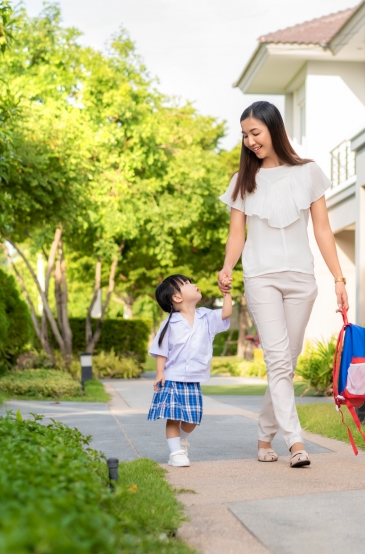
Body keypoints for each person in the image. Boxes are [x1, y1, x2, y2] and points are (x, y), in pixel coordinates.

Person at [218, 100, 349, 469]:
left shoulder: (308, 173)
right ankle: (296, 443)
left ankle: (264, 435)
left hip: (301, 279)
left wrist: (339, 279)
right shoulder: (243, 181)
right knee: (277, 361)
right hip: (261, 277)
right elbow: (236, 234)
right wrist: (228, 267)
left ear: (273, 129)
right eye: (244, 135)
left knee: (285, 365)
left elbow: (323, 229)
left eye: (254, 133)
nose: (249, 141)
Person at [148, 274, 233, 467]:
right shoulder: (170, 323)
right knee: (173, 417)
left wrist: (226, 293)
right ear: (177, 298)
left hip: (193, 379)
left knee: (192, 419)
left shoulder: (206, 317)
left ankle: (181, 440)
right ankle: (175, 453)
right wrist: (160, 372)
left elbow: (226, 313)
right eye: (186, 284)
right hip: (172, 377)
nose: (193, 284)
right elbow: (162, 349)